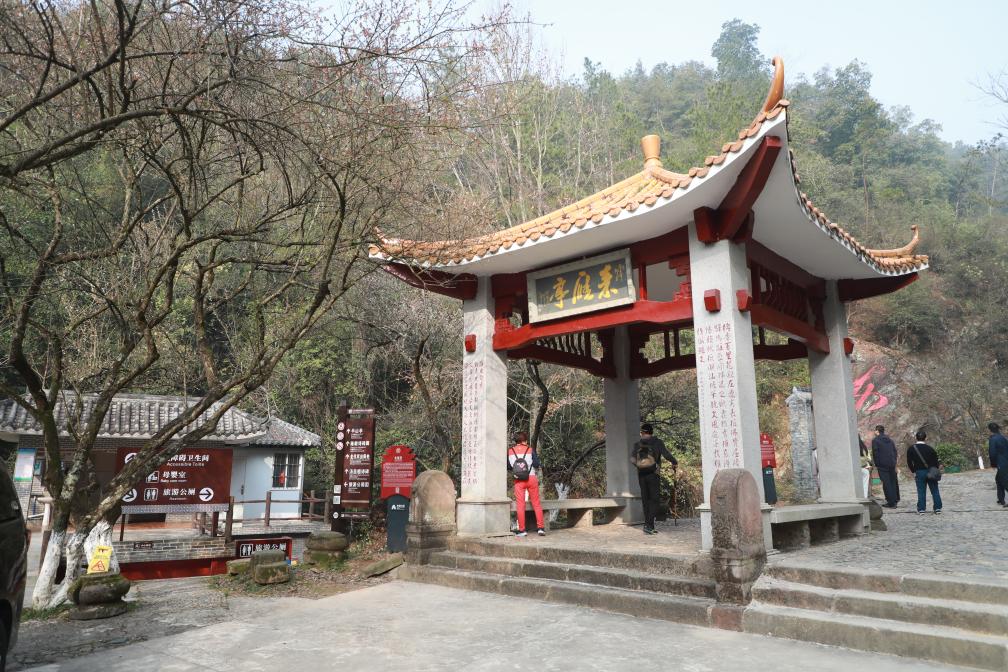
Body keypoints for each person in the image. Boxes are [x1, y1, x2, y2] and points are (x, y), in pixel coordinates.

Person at [630, 423, 677, 535]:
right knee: (654, 500)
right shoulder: (657, 442)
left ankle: (647, 525)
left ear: (642, 433)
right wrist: (674, 462)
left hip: (641, 475)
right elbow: (666, 455)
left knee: (645, 500)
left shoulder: (637, 444)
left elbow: (632, 459)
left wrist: (640, 466)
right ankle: (649, 525)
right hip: (654, 474)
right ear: (651, 432)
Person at [507, 431, 545, 536]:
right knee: (536, 503)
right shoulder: (530, 450)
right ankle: (541, 528)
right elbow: (536, 464)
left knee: (520, 505)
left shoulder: (510, 451)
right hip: (531, 478)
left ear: (516, 440)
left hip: (519, 480)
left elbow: (509, 467)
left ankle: (522, 530)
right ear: (525, 440)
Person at [907, 430, 942, 515]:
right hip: (931, 471)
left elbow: (909, 462)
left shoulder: (911, 449)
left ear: (916, 438)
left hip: (919, 472)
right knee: (935, 490)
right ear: (925, 438)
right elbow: (936, 462)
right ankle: (937, 508)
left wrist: (913, 471)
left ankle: (921, 509)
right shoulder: (930, 449)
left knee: (921, 491)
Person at [871, 425, 900, 508]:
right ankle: (895, 499)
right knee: (893, 482)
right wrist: (894, 462)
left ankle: (891, 502)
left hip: (882, 465)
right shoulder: (890, 440)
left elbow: (875, 453)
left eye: (875, 430)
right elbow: (894, 451)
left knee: (886, 483)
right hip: (892, 463)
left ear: (877, 431)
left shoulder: (875, 440)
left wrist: (877, 464)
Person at [987, 423, 1008, 507]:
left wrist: (993, 464)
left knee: (1004, 481)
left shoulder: (993, 439)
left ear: (990, 430)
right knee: (998, 479)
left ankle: (1001, 499)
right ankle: (1001, 499)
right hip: (1005, 461)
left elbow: (992, 453)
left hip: (1000, 463)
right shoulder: (1003, 437)